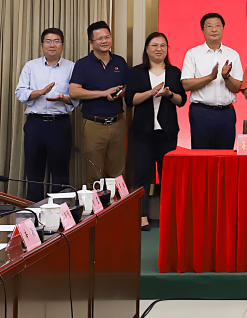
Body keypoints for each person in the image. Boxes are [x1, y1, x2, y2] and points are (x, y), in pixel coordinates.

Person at [125, 32, 186, 231]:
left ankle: (168, 215)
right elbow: (130, 100)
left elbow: (182, 100)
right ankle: (142, 216)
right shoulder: (137, 72)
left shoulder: (174, 72)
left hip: (166, 133)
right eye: (154, 45)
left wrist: (169, 94)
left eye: (163, 45)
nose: (159, 49)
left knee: (168, 176)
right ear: (147, 49)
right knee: (141, 175)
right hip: (142, 133)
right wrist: (151, 93)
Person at [14, 28, 78, 201]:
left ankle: (60, 214)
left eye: (56, 41)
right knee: (34, 173)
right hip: (35, 124)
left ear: (62, 45)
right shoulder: (31, 66)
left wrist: (63, 98)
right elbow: (20, 93)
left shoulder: (72, 67)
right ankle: (34, 213)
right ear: (42, 45)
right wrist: (40, 92)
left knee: (60, 174)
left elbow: (76, 99)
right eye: (48, 41)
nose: (52, 45)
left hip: (60, 124)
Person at [69, 21, 131, 185]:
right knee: (94, 173)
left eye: (107, 37)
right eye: (99, 38)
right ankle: (95, 202)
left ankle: (116, 201)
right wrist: (103, 93)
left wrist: (120, 93)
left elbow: (130, 86)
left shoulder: (119, 62)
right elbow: (74, 91)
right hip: (93, 124)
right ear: (91, 42)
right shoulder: (82, 64)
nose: (104, 41)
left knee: (118, 173)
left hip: (118, 123)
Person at [180, 12, 243, 150]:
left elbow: (237, 87)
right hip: (201, 113)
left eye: (217, 26)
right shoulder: (192, 54)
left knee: (225, 156)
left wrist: (226, 77)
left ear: (223, 29)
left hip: (226, 113)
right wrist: (210, 78)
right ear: (202, 30)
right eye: (209, 26)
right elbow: (186, 85)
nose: (214, 30)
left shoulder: (232, 54)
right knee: (201, 156)